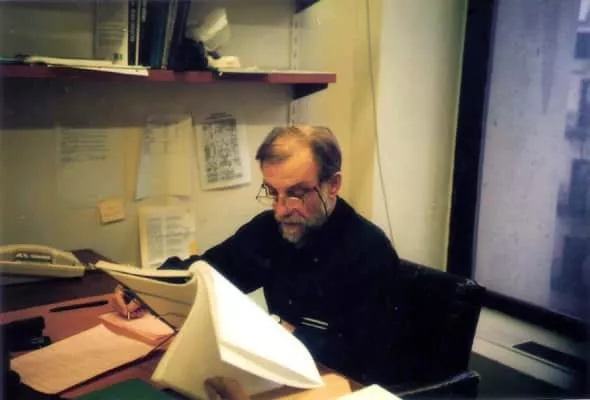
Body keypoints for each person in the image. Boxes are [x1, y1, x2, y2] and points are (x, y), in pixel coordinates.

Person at [113, 125, 399, 388]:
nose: (281, 210)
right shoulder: (270, 228)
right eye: (273, 193)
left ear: (332, 185)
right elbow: (207, 270)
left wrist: (282, 333)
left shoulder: (370, 250)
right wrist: (144, 286)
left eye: (296, 194)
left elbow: (364, 359)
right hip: (274, 374)